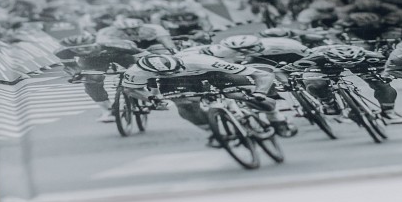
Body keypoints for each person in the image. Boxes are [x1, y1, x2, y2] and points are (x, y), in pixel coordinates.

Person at [122, 50, 295, 139]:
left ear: (179, 62)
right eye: (167, 72)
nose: (173, 72)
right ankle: (213, 132)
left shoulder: (201, 60)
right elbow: (130, 90)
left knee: (241, 95)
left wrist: (260, 93)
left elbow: (262, 75)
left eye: (175, 69)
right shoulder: (136, 72)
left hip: (211, 72)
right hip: (176, 82)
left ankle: (276, 119)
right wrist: (151, 98)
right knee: (185, 105)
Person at [294, 42, 402, 124]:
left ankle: (388, 111)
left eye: (351, 63)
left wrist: (386, 75)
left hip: (360, 64)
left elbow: (388, 66)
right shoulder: (317, 58)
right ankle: (328, 102)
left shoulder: (370, 55)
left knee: (381, 84)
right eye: (344, 63)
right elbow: (296, 68)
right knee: (315, 84)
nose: (348, 65)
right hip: (324, 65)